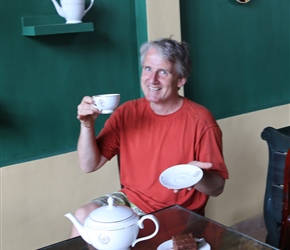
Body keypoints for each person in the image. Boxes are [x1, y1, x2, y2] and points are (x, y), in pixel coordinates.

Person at [73, 38, 229, 237]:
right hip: (130, 201)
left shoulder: (201, 121)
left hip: (177, 213)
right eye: (147, 69)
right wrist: (87, 125)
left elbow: (217, 188)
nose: (152, 79)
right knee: (82, 217)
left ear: (180, 80)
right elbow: (89, 165)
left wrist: (196, 175)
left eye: (163, 72)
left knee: (119, 234)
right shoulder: (127, 112)